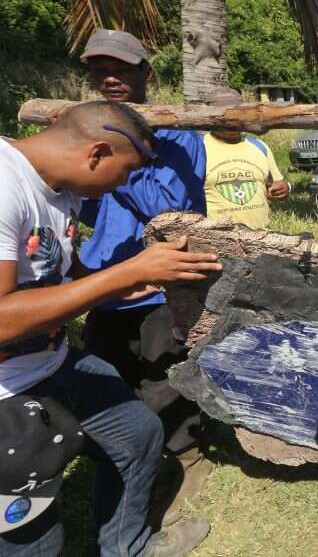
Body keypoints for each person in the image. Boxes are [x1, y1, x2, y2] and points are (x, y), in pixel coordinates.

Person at [0, 101, 221, 556]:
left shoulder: (62, 188)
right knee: (34, 540)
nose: (123, 185)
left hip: (51, 360)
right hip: (6, 395)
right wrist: (119, 275)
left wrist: (117, 288)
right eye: (125, 173)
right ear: (97, 154)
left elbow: (53, 271)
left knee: (136, 436)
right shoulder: (4, 186)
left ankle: (125, 548)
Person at [75, 29, 211, 528]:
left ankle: (181, 465)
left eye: (123, 69)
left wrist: (120, 157)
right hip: (105, 284)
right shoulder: (87, 134)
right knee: (109, 383)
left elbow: (168, 210)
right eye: (99, 68)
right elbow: (87, 208)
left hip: (159, 285)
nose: (110, 78)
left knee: (165, 381)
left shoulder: (179, 137)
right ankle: (119, 472)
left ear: (145, 74)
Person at [202, 87, 290, 229]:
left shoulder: (259, 146)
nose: (231, 118)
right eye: (223, 113)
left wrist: (283, 190)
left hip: (262, 240)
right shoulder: (198, 149)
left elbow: (276, 186)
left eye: (236, 112)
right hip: (218, 241)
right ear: (210, 116)